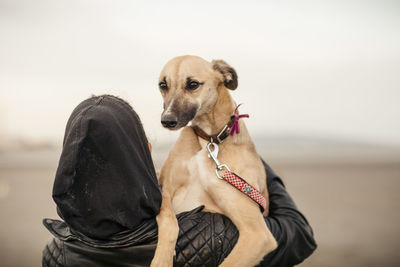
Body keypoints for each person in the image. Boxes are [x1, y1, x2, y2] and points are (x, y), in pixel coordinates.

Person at [42, 95, 316, 267]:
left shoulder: (56, 253)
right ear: (146, 150)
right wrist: (237, 147)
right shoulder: (209, 235)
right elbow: (299, 233)